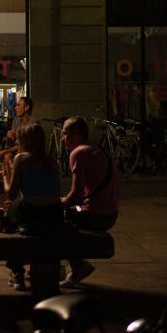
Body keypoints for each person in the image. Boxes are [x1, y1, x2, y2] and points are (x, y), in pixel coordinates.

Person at [60, 116, 119, 286]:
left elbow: (76, 195)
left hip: (95, 215)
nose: (63, 139)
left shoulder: (79, 153)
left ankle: (78, 266)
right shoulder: (99, 151)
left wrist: (59, 202)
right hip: (110, 213)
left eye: (65, 134)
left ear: (77, 134)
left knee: (56, 222)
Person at [4, 123, 63, 290]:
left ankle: (17, 271)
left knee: (9, 216)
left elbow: (11, 193)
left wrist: (5, 174)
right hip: (54, 212)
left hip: (32, 211)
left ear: (24, 141)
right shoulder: (51, 161)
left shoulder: (21, 159)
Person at [0, 96, 34, 200]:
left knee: (7, 156)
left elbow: (23, 146)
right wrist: (9, 137)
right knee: (7, 157)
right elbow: (13, 144)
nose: (15, 107)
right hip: (18, 150)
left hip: (28, 152)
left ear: (26, 107)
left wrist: (1, 152)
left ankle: (10, 193)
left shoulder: (32, 124)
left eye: (19, 105)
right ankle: (10, 194)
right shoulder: (16, 120)